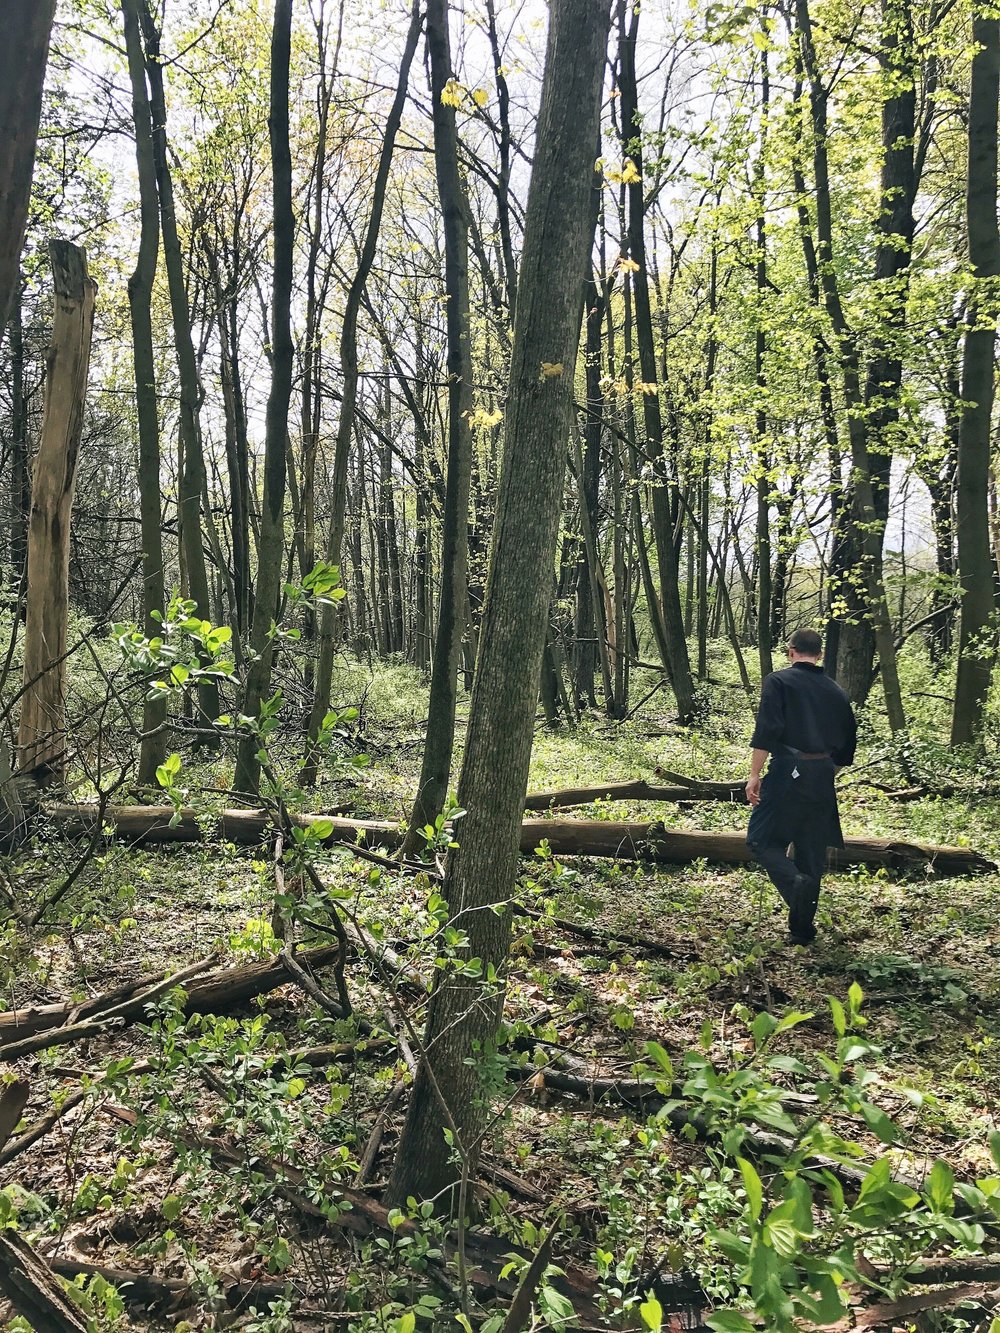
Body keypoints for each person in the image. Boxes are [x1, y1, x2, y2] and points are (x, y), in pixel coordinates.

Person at [745, 628, 857, 945]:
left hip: (788, 767)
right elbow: (848, 741)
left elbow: (767, 728)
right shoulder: (836, 691)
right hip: (823, 773)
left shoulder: (778, 681)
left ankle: (795, 884)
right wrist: (824, 767)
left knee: (761, 840)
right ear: (819, 654)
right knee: (811, 853)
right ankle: (802, 932)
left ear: (791, 651)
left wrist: (755, 773)